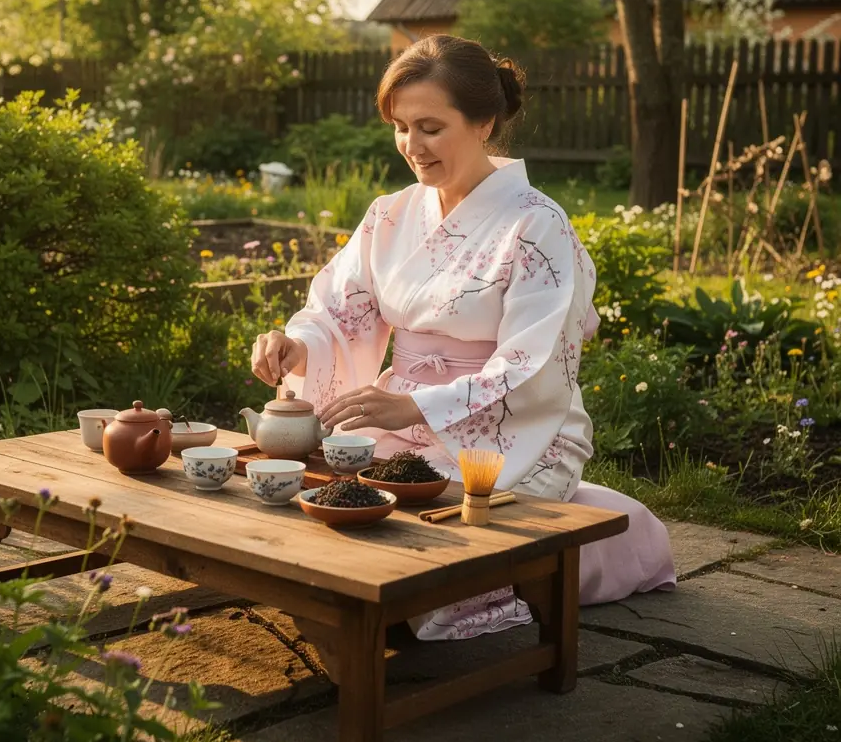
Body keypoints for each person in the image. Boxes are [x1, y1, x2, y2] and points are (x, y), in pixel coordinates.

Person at [250, 35, 675, 641]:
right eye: (401, 127)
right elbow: (342, 312)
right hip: (396, 417)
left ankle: (589, 548)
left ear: (484, 121)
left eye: (430, 127)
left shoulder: (537, 224)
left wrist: (419, 403)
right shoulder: (390, 214)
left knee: (421, 571)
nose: (411, 147)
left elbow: (537, 359)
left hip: (507, 431)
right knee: (319, 510)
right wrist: (298, 344)